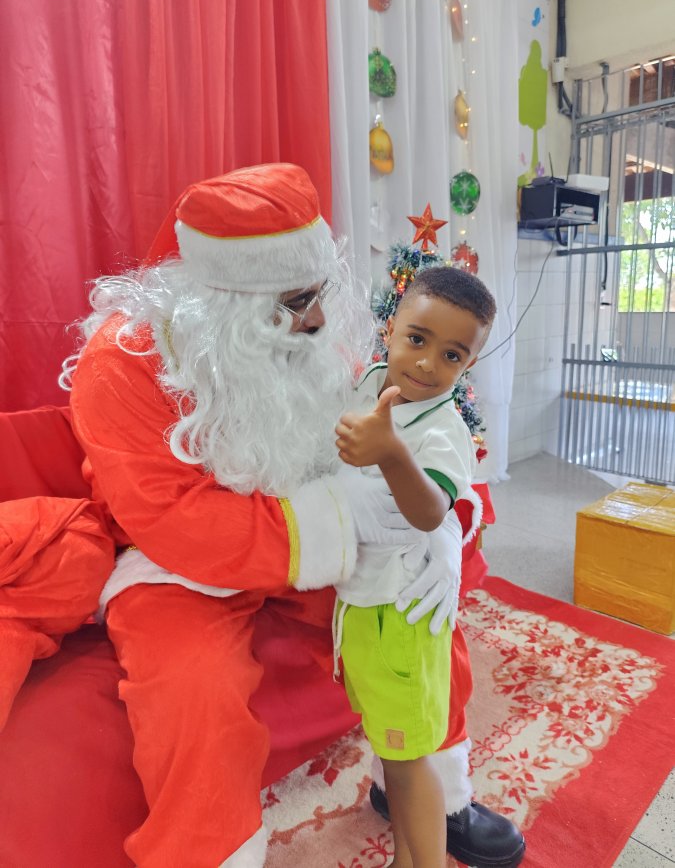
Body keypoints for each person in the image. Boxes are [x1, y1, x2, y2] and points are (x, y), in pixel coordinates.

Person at [2, 162, 524, 867]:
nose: (318, 318)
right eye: (297, 300)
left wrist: (445, 523)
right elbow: (173, 522)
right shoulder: (120, 363)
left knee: (418, 607)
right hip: (174, 564)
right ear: (224, 299)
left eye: (318, 292)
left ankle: (435, 794)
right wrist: (346, 521)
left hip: (312, 525)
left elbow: (405, 432)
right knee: (192, 694)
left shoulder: (299, 335)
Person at [334, 267, 497, 867]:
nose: (428, 364)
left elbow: (432, 511)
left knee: (407, 762)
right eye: (418, 339)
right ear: (390, 330)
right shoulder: (370, 380)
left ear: (467, 366)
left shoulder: (445, 429)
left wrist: (392, 454)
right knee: (392, 750)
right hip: (363, 603)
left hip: (399, 613)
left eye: (452, 355)